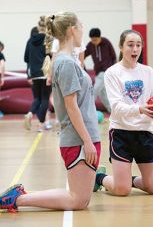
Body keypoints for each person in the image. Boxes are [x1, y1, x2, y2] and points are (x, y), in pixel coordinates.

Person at [0, 11, 101, 213]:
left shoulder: (67, 61)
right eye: (80, 26)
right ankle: (17, 199)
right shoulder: (65, 63)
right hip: (78, 139)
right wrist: (87, 141)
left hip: (84, 136)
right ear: (72, 29)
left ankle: (18, 198)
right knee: (77, 200)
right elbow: (71, 106)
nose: (82, 30)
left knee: (81, 200)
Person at [94, 29, 153, 196]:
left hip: (144, 132)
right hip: (121, 133)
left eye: (138, 45)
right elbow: (116, 107)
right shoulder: (112, 73)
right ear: (121, 47)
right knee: (121, 190)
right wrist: (139, 108)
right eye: (130, 45)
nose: (135, 49)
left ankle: (125, 178)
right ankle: (100, 177)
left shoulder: (148, 71)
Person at [23, 17, 52, 132]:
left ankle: (30, 114)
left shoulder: (30, 41)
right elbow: (51, 56)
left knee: (37, 98)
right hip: (45, 72)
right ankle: (41, 124)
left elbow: (26, 58)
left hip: (34, 73)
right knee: (45, 99)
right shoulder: (48, 39)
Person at [84, 28, 116, 113]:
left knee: (95, 90)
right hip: (98, 72)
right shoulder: (90, 45)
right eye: (92, 40)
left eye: (95, 40)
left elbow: (113, 56)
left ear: (100, 37)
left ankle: (87, 111)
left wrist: (114, 70)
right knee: (103, 94)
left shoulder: (106, 42)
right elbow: (83, 55)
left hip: (107, 71)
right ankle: (113, 111)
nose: (94, 42)